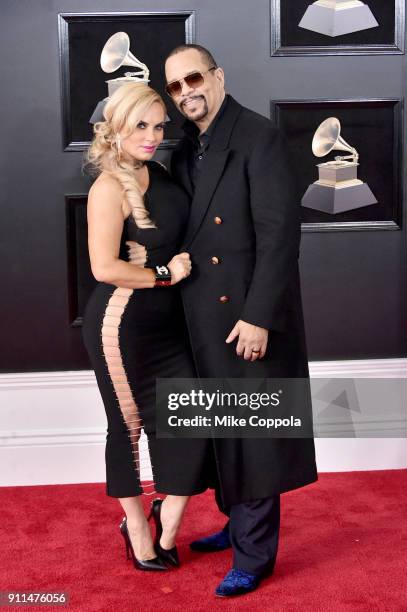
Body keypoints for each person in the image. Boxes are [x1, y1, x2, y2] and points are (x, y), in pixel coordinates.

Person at [164, 44, 318, 596]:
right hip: (202, 315)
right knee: (224, 425)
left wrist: (259, 317)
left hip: (247, 316)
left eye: (194, 79)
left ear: (218, 76)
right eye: (176, 87)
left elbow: (281, 237)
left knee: (255, 433)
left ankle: (255, 555)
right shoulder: (185, 152)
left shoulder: (259, 137)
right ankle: (236, 525)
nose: (186, 92)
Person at [82, 81, 211, 572]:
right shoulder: (107, 187)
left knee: (190, 422)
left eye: (158, 125)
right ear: (115, 127)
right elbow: (104, 268)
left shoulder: (160, 173)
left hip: (170, 323)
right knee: (128, 427)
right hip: (123, 324)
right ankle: (137, 528)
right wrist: (163, 272)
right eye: (141, 125)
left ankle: (169, 522)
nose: (153, 135)